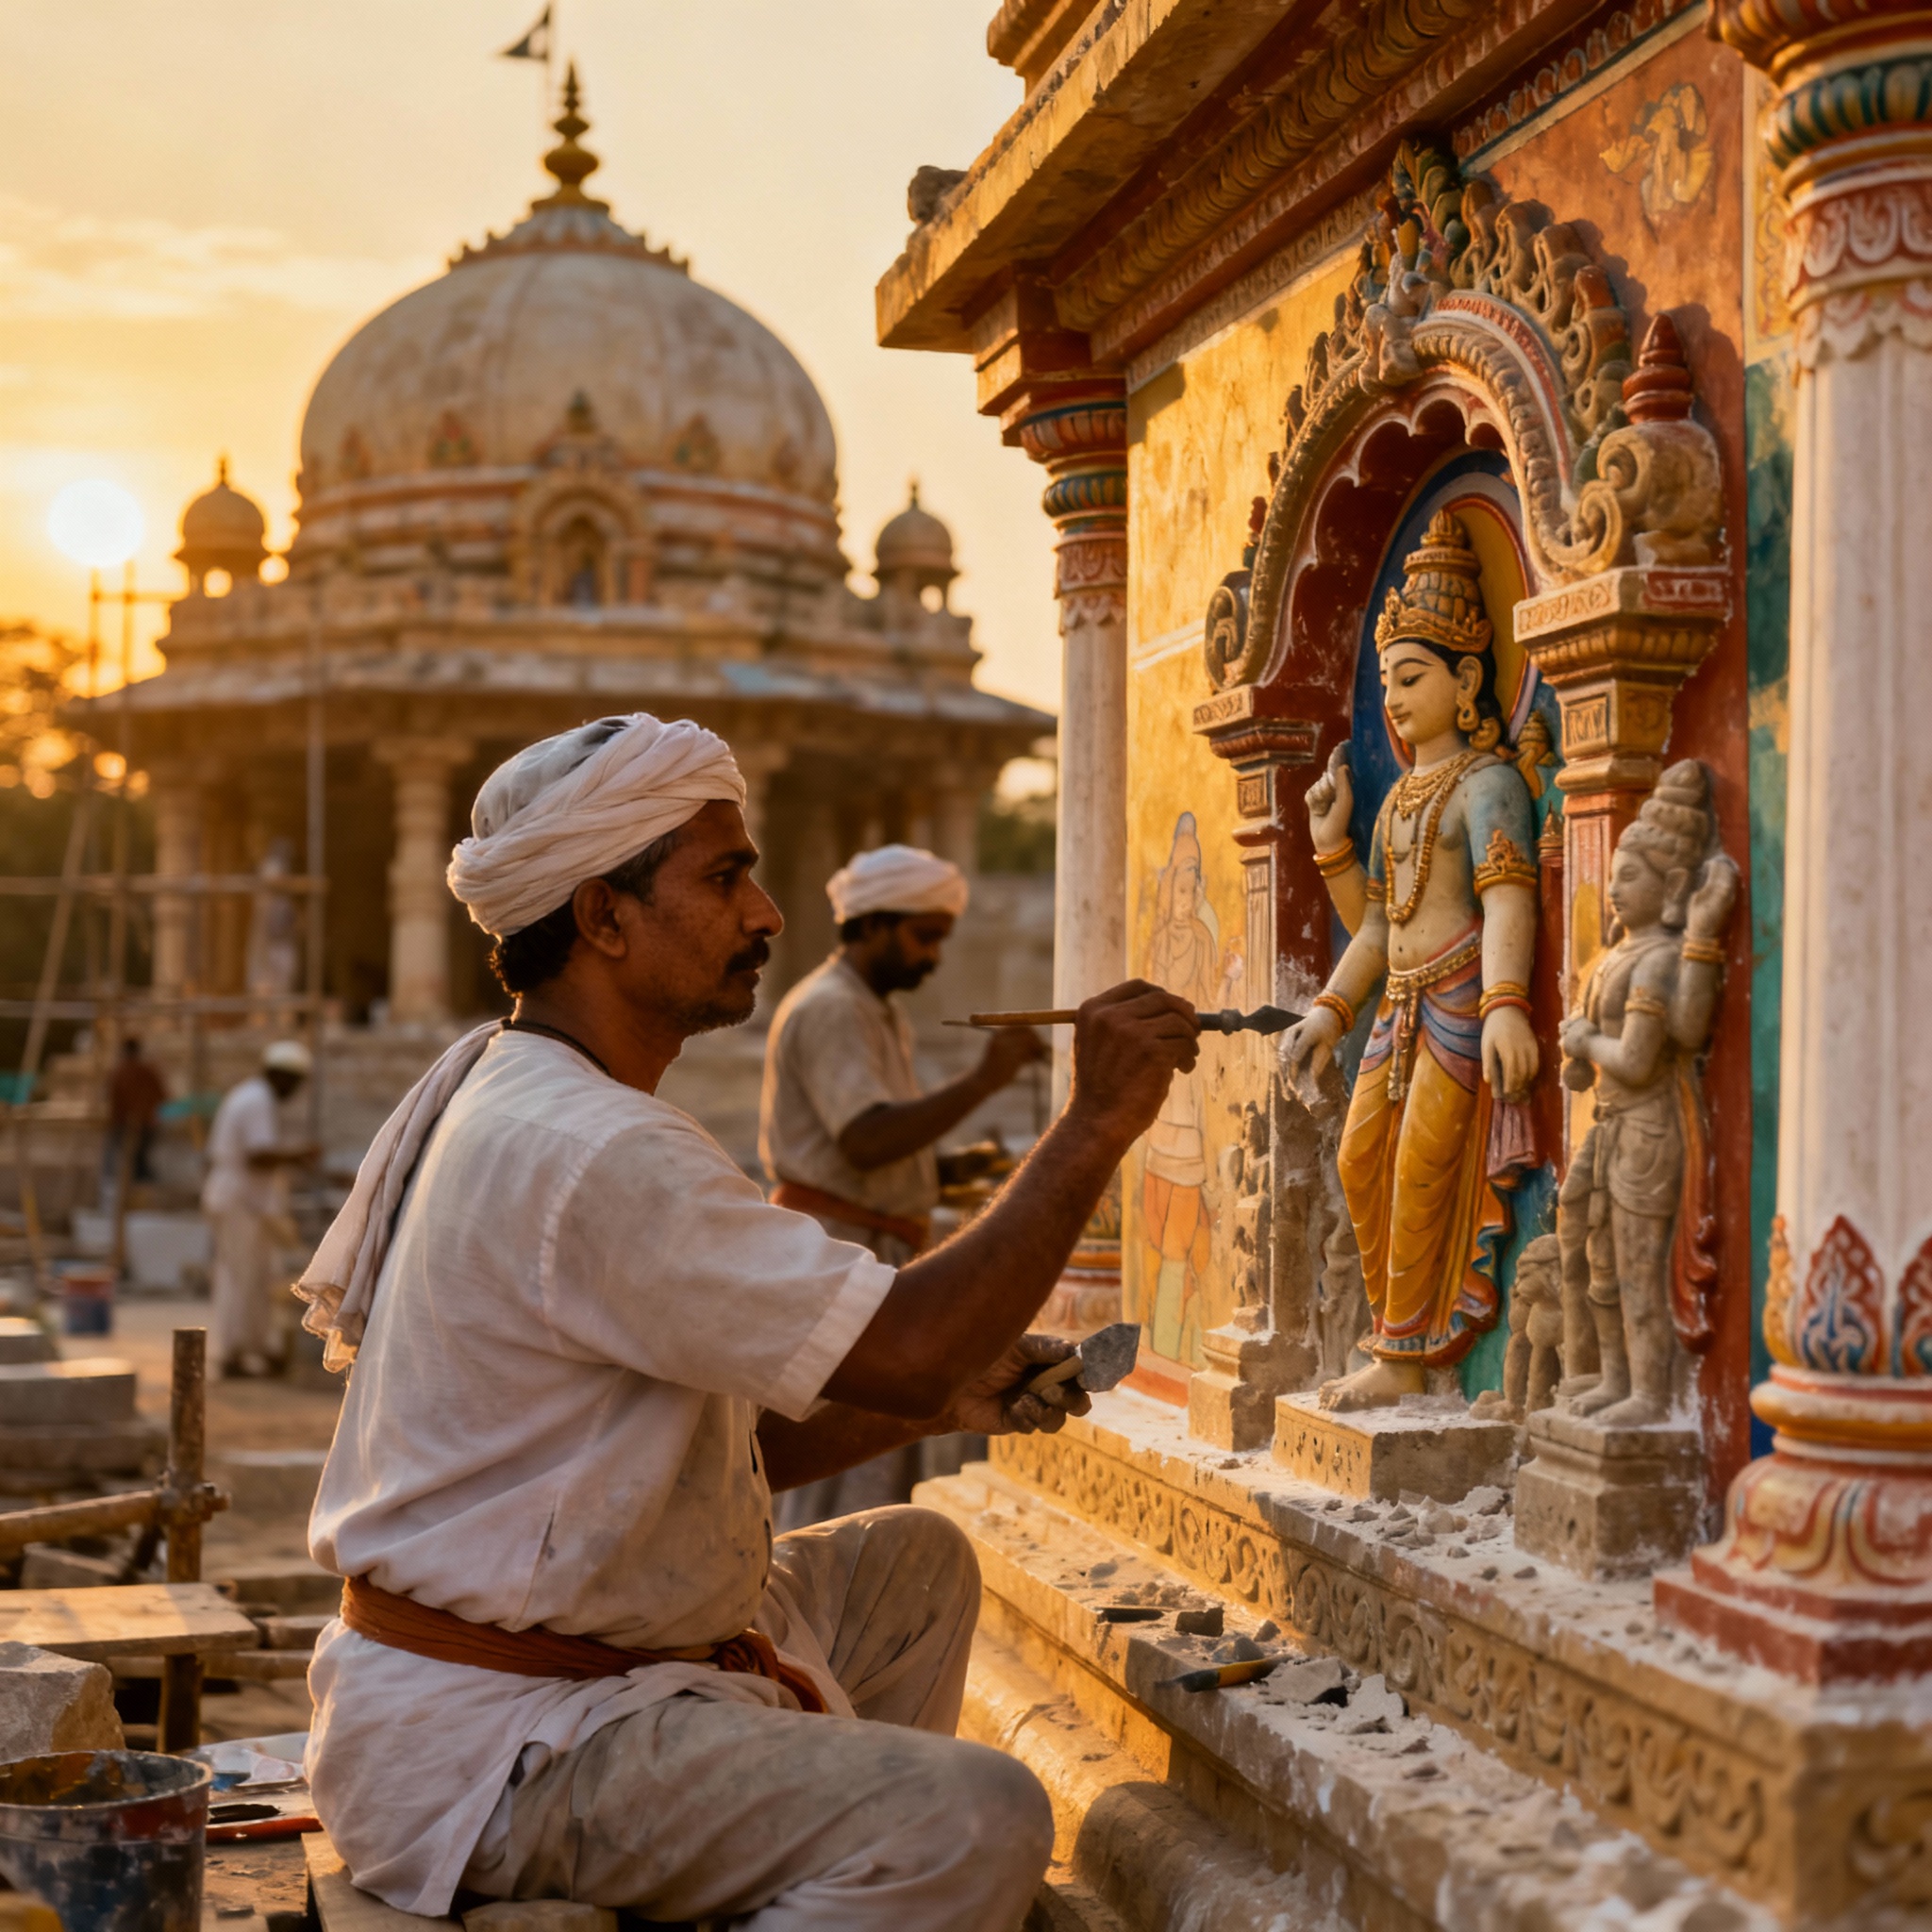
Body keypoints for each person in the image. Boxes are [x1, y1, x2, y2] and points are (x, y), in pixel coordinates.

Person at [293, 713, 1197, 1929]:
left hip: (559, 1657)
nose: (767, 913)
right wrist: (1093, 1124)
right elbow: (913, 1341)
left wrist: (945, 1392)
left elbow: (727, 1450)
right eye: (724, 878)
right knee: (977, 1815)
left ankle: (807, 1869)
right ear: (604, 918)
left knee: (916, 1567)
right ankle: (853, 1869)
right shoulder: (590, 1146)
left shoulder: (532, 1088)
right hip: (501, 1746)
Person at [759, 842, 1045, 1526]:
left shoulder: (873, 1008)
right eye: (923, 938)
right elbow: (865, 1138)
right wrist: (984, 1081)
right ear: (873, 925)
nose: (932, 959)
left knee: (874, 1455)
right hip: (835, 1255)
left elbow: (866, 1152)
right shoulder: (832, 1006)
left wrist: (945, 1169)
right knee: (833, 1461)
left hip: (869, 1247)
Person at [201, 1040, 315, 1377]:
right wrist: (301, 1155)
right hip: (240, 1200)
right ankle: (234, 1352)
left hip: (244, 1199)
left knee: (256, 1278)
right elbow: (258, 1155)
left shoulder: (252, 1096)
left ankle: (257, 1348)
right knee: (240, 1278)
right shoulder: (257, 1100)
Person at [105, 1036, 167, 1196]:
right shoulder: (143, 1071)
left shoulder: (120, 1072)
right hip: (140, 1122)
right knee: (135, 1160)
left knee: (131, 1160)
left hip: (129, 1123)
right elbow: (162, 1095)